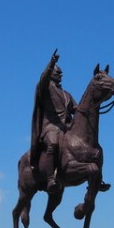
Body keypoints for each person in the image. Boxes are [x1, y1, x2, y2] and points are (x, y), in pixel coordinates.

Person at [30, 50, 76, 193]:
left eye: (61, 73)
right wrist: (52, 63)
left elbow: (77, 109)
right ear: (51, 73)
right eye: (58, 72)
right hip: (50, 127)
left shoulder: (67, 94)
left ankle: (95, 179)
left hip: (67, 127)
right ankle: (50, 179)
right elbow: (43, 78)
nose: (61, 74)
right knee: (53, 144)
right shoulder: (44, 88)